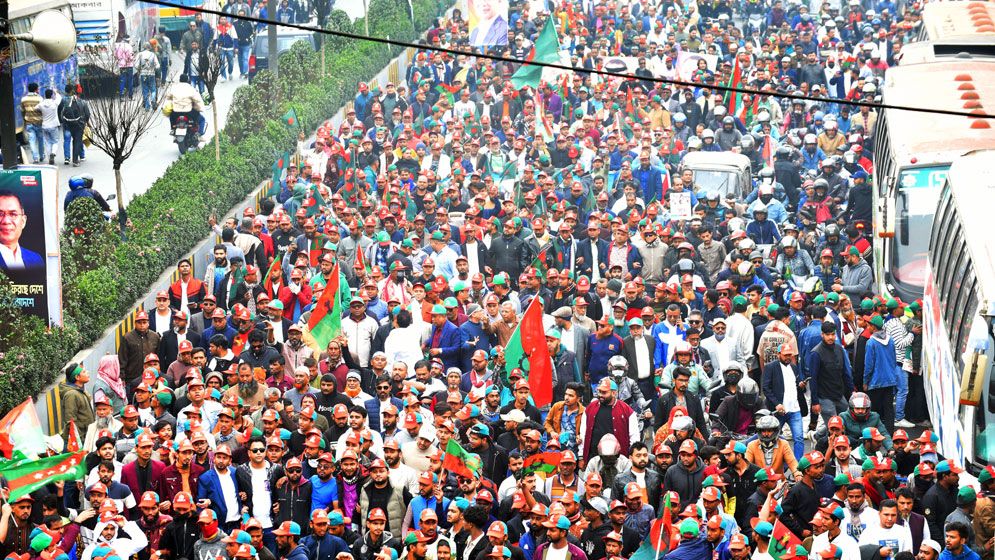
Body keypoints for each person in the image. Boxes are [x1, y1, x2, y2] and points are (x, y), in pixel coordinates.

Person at [0, 190, 43, 270]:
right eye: (0, 214)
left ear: (23, 221)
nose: (6, 221)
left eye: (13, 214)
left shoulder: (36, 259)